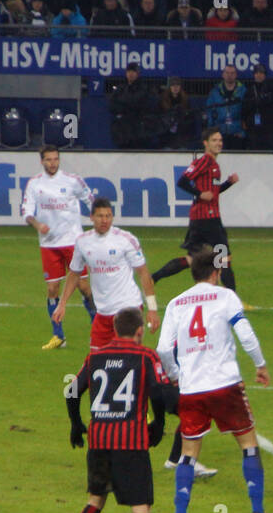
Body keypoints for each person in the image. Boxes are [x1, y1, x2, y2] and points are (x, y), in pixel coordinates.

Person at [156, 246, 273, 513]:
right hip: (225, 384)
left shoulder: (176, 303)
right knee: (248, 443)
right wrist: (260, 365)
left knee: (188, 452)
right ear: (216, 273)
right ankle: (257, 511)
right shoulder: (225, 296)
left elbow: (161, 349)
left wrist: (176, 376)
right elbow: (245, 334)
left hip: (192, 388)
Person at [63, 306, 175, 513]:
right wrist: (159, 423)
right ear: (139, 331)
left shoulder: (96, 355)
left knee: (94, 501)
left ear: (114, 329)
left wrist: (76, 425)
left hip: (99, 441)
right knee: (140, 508)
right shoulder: (145, 356)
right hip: (131, 444)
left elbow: (72, 391)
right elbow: (159, 391)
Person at [55, 199, 159, 361]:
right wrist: (62, 304)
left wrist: (152, 308)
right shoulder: (83, 242)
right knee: (96, 361)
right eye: (100, 216)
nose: (104, 220)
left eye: (108, 216)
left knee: (130, 361)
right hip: (103, 312)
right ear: (91, 217)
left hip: (128, 309)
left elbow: (143, 273)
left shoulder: (125, 239)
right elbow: (74, 273)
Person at [149, 127, 246, 296]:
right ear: (206, 143)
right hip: (207, 219)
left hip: (202, 219)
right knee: (223, 258)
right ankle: (232, 298)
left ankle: (153, 278)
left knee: (192, 259)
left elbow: (212, 193)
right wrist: (199, 193)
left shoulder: (214, 165)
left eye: (220, 140)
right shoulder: (204, 162)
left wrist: (228, 183)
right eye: (214, 140)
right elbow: (182, 181)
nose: (219, 143)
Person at [22, 145, 98, 351]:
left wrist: (95, 223)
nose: (53, 163)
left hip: (73, 242)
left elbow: (90, 200)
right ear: (42, 161)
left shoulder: (72, 180)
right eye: (48, 159)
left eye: (55, 159)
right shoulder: (35, 184)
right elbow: (26, 211)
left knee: (83, 286)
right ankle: (59, 336)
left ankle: (99, 331)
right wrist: (38, 225)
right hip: (48, 244)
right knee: (52, 289)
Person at [109, 61, 155, 149]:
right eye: (129, 71)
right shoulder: (121, 88)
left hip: (138, 132)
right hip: (123, 132)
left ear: (137, 74)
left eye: (133, 71)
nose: (131, 74)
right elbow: (112, 106)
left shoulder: (143, 88)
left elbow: (137, 103)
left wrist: (123, 103)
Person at [242, 63, 273, 150]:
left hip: (269, 133)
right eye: (256, 73)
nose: (258, 75)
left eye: (261, 73)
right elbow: (244, 111)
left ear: (265, 75)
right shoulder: (249, 91)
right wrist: (248, 126)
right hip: (253, 133)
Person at [205, 65, 247, 149]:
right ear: (223, 74)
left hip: (237, 134)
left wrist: (243, 132)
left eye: (232, 73)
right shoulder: (215, 92)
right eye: (227, 73)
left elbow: (247, 113)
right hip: (219, 135)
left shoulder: (243, 91)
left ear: (236, 75)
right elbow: (209, 112)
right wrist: (212, 132)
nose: (229, 75)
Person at [156, 76, 199, 150]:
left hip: (181, 140)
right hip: (166, 140)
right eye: (173, 85)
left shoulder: (186, 101)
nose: (175, 87)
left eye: (177, 85)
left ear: (180, 87)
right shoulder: (162, 101)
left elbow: (190, 120)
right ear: (170, 87)